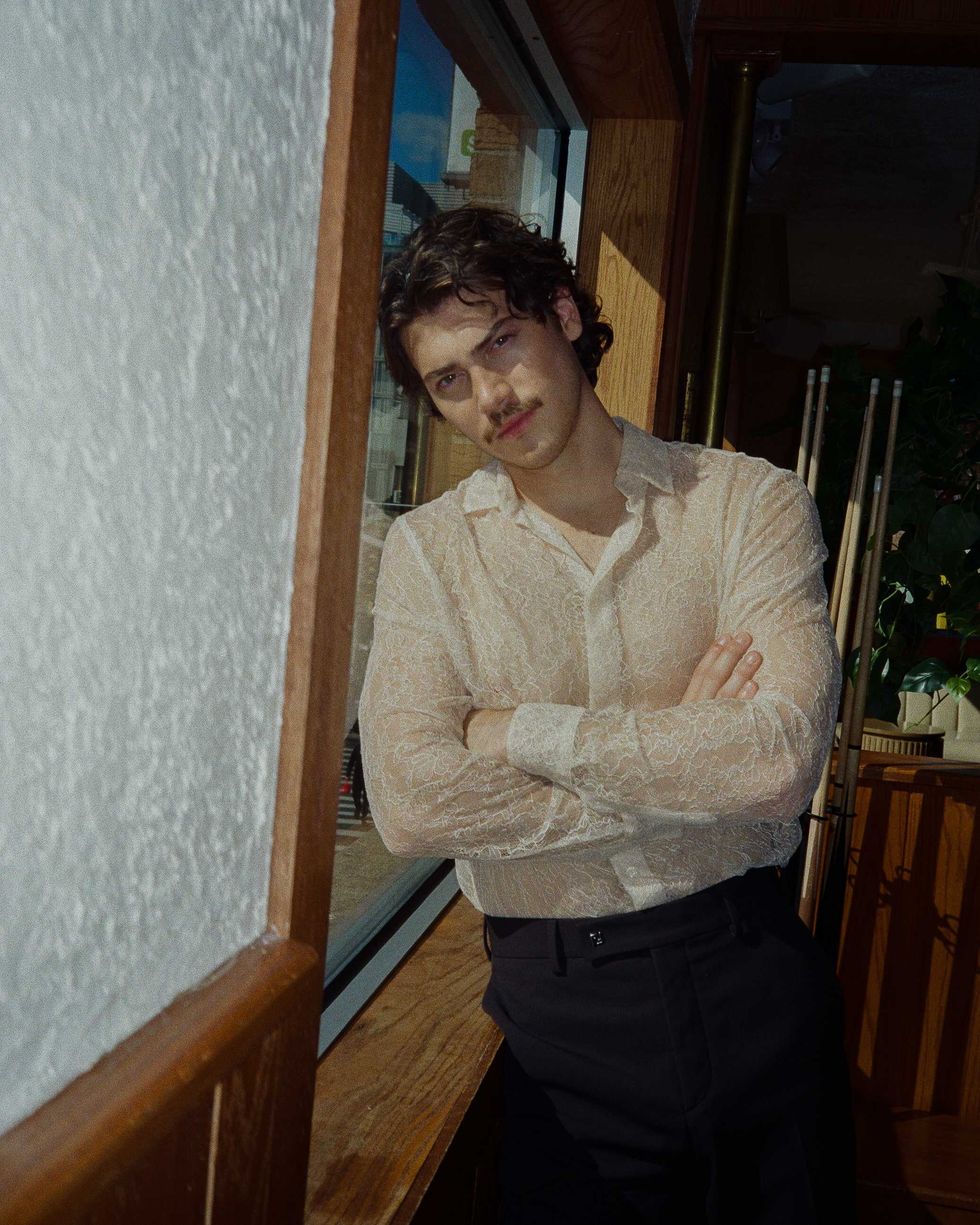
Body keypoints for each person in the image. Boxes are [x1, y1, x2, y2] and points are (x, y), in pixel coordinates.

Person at [359, 206, 853, 1224]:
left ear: (565, 312)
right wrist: (683, 767)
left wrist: (515, 731)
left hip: (750, 974)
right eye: (447, 380)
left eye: (498, 340)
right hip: (557, 1018)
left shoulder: (743, 503)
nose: (487, 394)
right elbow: (408, 804)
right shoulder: (430, 553)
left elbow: (773, 763)